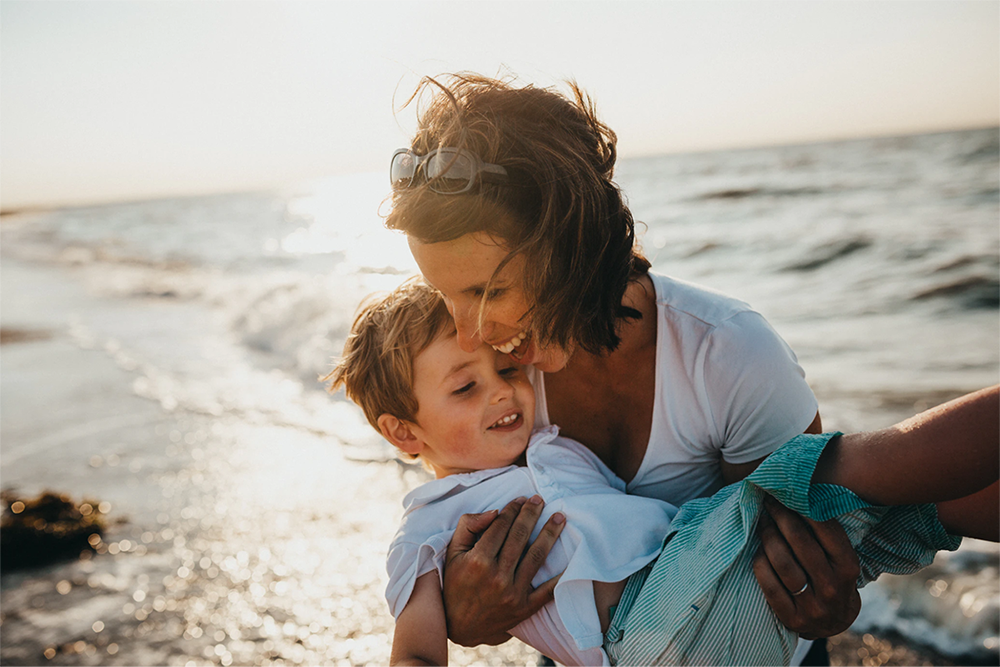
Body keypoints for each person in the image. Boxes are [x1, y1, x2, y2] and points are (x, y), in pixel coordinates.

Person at [384, 72, 866, 665]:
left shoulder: (730, 355)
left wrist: (828, 604)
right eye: (445, 296)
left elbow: (799, 553)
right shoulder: (495, 376)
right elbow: (461, 506)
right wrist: (463, 614)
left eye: (489, 290)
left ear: (571, 244)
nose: (467, 333)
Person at [326, 279, 1000, 667]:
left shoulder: (553, 446)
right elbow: (414, 651)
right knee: (831, 472)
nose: (504, 391)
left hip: (718, 602)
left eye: (505, 369)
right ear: (403, 432)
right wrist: (459, 618)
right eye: (464, 389)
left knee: (926, 508)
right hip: (647, 630)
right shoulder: (431, 520)